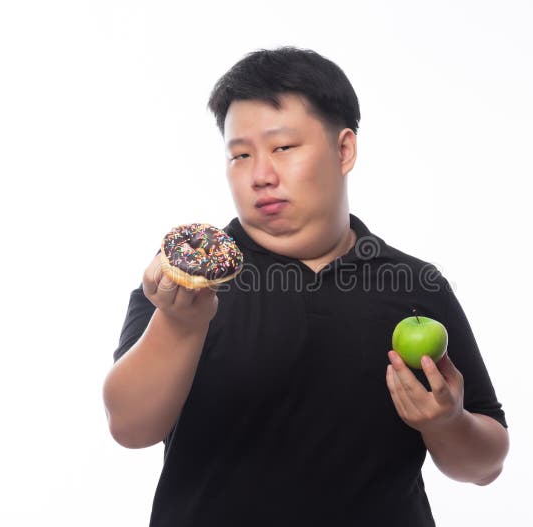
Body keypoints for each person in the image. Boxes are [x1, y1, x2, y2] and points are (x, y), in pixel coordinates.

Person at [102, 46, 509, 527]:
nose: (260, 175)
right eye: (240, 155)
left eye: (283, 148)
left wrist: (446, 421)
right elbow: (129, 428)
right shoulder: (186, 284)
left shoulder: (417, 285)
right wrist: (181, 323)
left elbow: (485, 466)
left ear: (344, 150)